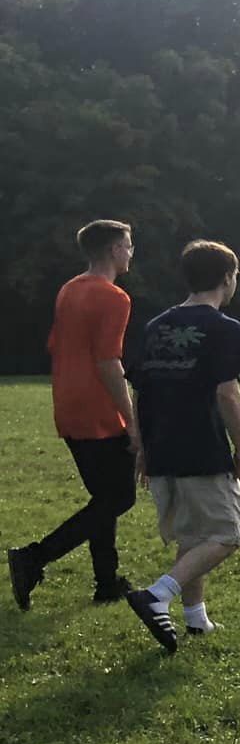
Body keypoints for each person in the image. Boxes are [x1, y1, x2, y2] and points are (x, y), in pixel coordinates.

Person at [123, 240, 240, 653]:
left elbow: (140, 391)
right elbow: (227, 393)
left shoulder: (156, 325)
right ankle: (156, 595)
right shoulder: (225, 328)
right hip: (202, 446)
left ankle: (196, 619)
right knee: (227, 534)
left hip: (161, 446)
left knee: (194, 535)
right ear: (227, 278)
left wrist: (143, 446)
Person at [9, 220, 142, 613]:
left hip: (68, 405)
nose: (131, 253)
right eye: (129, 246)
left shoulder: (69, 289)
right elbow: (108, 362)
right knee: (119, 497)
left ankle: (107, 582)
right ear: (115, 249)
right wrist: (131, 420)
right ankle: (34, 557)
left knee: (105, 498)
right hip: (99, 410)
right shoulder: (114, 297)